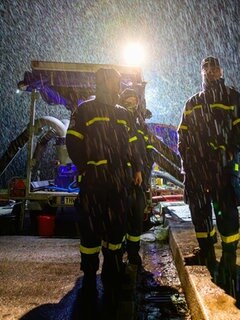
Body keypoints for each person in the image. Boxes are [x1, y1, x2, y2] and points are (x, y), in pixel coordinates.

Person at [177, 56, 240, 296]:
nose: (210, 71)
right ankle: (206, 252)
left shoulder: (232, 97)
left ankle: (229, 258)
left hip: (223, 168)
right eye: (205, 68)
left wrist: (229, 151)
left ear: (221, 71)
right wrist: (188, 160)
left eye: (214, 68)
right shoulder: (192, 102)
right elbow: (183, 134)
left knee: (226, 212)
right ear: (201, 72)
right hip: (197, 170)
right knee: (199, 213)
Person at [66, 68, 142, 301]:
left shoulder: (123, 114)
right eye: (114, 82)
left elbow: (133, 144)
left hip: (118, 183)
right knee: (90, 229)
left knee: (116, 226)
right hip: (94, 183)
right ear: (103, 83)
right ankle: (89, 275)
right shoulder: (85, 109)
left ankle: (112, 269)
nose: (117, 86)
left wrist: (136, 167)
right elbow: (72, 141)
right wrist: (87, 167)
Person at [118, 88, 155, 267]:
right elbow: (124, 150)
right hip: (124, 179)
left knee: (136, 218)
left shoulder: (141, 125)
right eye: (128, 102)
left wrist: (145, 172)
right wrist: (132, 170)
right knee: (120, 218)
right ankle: (118, 253)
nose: (132, 105)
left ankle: (133, 253)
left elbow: (148, 151)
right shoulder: (119, 121)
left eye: (134, 102)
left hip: (140, 182)